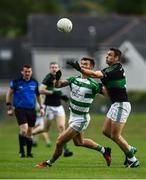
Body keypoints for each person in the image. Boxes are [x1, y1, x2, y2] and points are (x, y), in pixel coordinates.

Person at [67, 48, 140, 168]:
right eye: (107, 55)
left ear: (116, 58)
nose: (107, 57)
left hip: (121, 104)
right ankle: (129, 148)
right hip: (115, 104)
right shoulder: (109, 69)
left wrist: (79, 68)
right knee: (106, 131)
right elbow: (104, 85)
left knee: (115, 135)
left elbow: (95, 74)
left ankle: (132, 159)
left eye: (110, 55)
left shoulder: (116, 68)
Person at [36, 57, 111, 168]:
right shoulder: (73, 79)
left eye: (86, 64)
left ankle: (49, 163)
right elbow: (58, 85)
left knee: (59, 141)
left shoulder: (94, 85)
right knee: (79, 142)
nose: (83, 66)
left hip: (81, 119)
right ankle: (105, 150)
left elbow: (108, 94)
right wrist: (57, 79)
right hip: (73, 116)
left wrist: (108, 82)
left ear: (91, 67)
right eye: (82, 64)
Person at [32, 62, 73, 157]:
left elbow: (57, 90)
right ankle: (29, 134)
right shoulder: (48, 78)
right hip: (49, 107)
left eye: (56, 67)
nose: (54, 69)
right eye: (52, 67)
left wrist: (61, 96)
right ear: (50, 69)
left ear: (58, 68)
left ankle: (66, 150)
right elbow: (40, 90)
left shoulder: (58, 77)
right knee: (45, 129)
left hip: (58, 107)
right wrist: (52, 92)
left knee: (62, 127)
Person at [6, 65, 44, 158]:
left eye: (29, 72)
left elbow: (38, 96)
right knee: (24, 130)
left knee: (30, 132)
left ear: (31, 72)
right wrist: (9, 107)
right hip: (19, 109)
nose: (27, 73)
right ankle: (21, 151)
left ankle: (29, 153)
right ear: (22, 72)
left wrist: (42, 107)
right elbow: (9, 93)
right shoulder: (16, 82)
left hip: (31, 110)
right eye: (25, 71)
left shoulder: (34, 82)